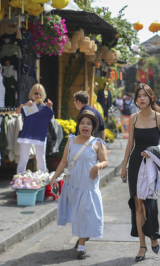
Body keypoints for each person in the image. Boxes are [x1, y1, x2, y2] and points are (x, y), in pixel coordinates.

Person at [120, 84, 160, 262]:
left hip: (151, 165)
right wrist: (124, 166)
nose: (141, 98)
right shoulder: (133, 118)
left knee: (149, 203)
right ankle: (142, 245)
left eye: (145, 95)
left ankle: (153, 235)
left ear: (151, 97)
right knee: (138, 204)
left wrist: (152, 151)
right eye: (139, 96)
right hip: (135, 164)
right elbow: (130, 144)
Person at [50, 110, 109, 260]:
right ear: (78, 125)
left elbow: (105, 161)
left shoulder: (97, 143)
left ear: (93, 127)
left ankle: (81, 247)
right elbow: (64, 161)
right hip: (72, 185)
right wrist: (54, 177)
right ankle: (82, 239)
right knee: (79, 215)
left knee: (86, 214)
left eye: (89, 123)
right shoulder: (71, 140)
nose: (85, 126)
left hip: (88, 186)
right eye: (82, 123)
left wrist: (98, 166)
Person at [16, 84, 54, 173]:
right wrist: (25, 105)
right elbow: (17, 112)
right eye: (36, 93)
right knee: (23, 158)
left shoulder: (45, 107)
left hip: (40, 135)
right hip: (27, 133)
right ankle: (19, 179)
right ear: (32, 93)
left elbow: (51, 119)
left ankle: (43, 180)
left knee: (41, 158)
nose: (38, 96)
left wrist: (50, 108)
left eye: (40, 94)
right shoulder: (28, 104)